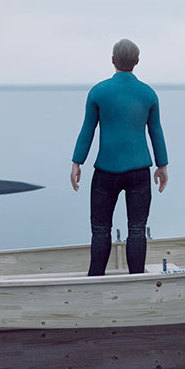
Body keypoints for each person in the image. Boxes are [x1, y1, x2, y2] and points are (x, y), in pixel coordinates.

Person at [69, 38, 169, 275]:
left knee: (100, 229)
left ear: (112, 60)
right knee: (137, 229)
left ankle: (95, 279)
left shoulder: (98, 92)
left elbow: (88, 129)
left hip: (105, 171)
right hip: (139, 172)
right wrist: (162, 165)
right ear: (137, 62)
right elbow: (156, 131)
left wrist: (77, 161)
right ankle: (136, 279)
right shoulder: (148, 94)